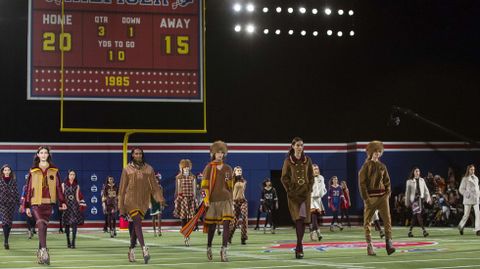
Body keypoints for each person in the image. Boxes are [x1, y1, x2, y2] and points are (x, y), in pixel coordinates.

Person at [118, 147, 165, 264]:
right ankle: (144, 249)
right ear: (132, 155)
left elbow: (154, 187)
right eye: (136, 153)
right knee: (137, 222)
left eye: (140, 153)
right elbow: (122, 189)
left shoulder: (149, 169)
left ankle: (131, 249)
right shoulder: (127, 169)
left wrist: (160, 199)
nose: (138, 155)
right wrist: (121, 207)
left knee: (135, 225)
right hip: (130, 200)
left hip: (143, 201)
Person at [25, 146, 67, 264]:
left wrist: (62, 201)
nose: (43, 155)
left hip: (48, 203)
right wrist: (26, 205)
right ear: (38, 155)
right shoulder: (33, 170)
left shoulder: (54, 170)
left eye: (45, 153)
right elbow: (28, 189)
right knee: (41, 225)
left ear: (48, 155)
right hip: (36, 203)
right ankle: (44, 251)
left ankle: (40, 254)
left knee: (43, 228)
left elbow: (58, 187)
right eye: (41, 153)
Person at [358, 140, 395, 256]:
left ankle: (389, 244)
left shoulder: (382, 166)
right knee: (367, 222)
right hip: (371, 198)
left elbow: (387, 182)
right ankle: (369, 245)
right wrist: (366, 198)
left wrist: (387, 194)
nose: (377, 153)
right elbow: (362, 183)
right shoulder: (365, 167)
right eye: (375, 151)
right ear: (370, 152)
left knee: (387, 220)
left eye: (379, 151)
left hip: (382, 197)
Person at [280, 137, 314, 259]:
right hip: (294, 195)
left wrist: (309, 187)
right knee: (298, 219)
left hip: (305, 194)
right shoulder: (288, 161)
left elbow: (311, 176)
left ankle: (299, 246)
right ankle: (299, 246)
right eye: (298, 145)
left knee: (303, 220)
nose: (300, 147)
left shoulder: (308, 160)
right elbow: (284, 178)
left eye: (301, 145)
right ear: (293, 146)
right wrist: (290, 190)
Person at [201, 140, 234, 262]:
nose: (220, 155)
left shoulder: (228, 168)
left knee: (227, 225)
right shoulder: (209, 167)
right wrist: (205, 199)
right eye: (218, 152)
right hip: (213, 200)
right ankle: (209, 247)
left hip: (226, 200)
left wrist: (232, 199)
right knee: (212, 227)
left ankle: (224, 250)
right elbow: (204, 186)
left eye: (222, 152)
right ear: (213, 154)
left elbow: (230, 186)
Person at [174, 159, 197, 246]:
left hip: (191, 199)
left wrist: (195, 199)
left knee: (191, 218)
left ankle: (188, 233)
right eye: (184, 168)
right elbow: (177, 189)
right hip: (182, 198)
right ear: (182, 169)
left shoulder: (193, 177)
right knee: (183, 218)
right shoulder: (179, 177)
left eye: (187, 168)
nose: (186, 170)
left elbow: (194, 189)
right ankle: (185, 235)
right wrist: (176, 199)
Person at [405, 167, 431, 237]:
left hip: (420, 200)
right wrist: (407, 202)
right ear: (413, 172)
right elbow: (407, 193)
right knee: (419, 214)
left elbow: (426, 190)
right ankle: (424, 231)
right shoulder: (409, 181)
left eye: (418, 171)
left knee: (414, 216)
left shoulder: (422, 180)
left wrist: (428, 198)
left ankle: (410, 231)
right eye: (416, 171)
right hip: (414, 200)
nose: (417, 172)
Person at [62, 169, 84, 248]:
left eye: (74, 175)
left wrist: (81, 204)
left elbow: (77, 197)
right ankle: (68, 241)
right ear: (68, 175)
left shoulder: (77, 186)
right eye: (71, 174)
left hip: (74, 207)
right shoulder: (63, 185)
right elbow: (62, 196)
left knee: (74, 224)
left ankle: (73, 242)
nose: (72, 176)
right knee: (67, 225)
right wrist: (62, 204)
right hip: (67, 207)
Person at [0, 164, 20, 249]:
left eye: (8, 170)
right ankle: (5, 241)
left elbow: (16, 193)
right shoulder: (0, 181)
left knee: (9, 222)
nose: (7, 171)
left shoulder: (13, 181)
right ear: (2, 171)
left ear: (10, 171)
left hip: (12, 204)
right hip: (2, 203)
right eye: (5, 170)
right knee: (5, 221)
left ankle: (7, 239)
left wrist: (19, 204)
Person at [457, 164, 480, 236]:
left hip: (476, 199)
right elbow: (461, 189)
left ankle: (478, 229)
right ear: (468, 170)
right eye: (471, 169)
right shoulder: (465, 178)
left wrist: (478, 196)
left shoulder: (476, 178)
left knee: (478, 214)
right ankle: (460, 227)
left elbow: (477, 189)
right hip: (468, 199)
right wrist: (467, 194)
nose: (473, 171)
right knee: (466, 215)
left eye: (473, 169)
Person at [228, 166, 248, 244]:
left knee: (244, 218)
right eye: (238, 170)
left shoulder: (244, 181)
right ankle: (229, 237)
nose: (239, 171)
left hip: (243, 201)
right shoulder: (231, 181)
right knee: (234, 221)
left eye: (240, 170)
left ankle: (243, 238)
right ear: (235, 171)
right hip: (234, 202)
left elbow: (242, 192)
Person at [309, 164, 326, 241]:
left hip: (318, 199)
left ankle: (314, 230)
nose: (316, 170)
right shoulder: (308, 178)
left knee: (315, 215)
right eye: (315, 169)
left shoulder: (321, 178)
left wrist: (321, 194)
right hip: (311, 198)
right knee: (313, 214)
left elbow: (323, 188)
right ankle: (316, 232)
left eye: (317, 169)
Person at [150, 172, 165, 237]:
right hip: (152, 202)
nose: (156, 180)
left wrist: (162, 204)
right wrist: (149, 204)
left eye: (157, 179)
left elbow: (161, 195)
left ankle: (159, 230)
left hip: (158, 202)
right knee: (153, 217)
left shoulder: (160, 187)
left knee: (159, 216)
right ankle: (154, 231)